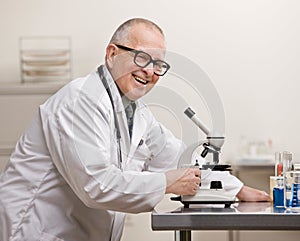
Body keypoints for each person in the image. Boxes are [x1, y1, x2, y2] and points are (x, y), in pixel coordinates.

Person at [0, 18, 270, 241]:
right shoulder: (78, 101)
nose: (150, 71)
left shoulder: (137, 114)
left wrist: (235, 189)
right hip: (34, 234)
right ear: (112, 54)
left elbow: (180, 158)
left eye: (158, 64)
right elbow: (96, 185)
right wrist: (167, 182)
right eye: (142, 58)